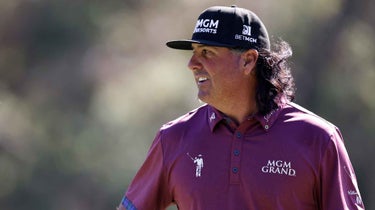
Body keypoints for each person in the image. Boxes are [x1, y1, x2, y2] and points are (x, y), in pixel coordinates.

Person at [118, 5, 365, 210]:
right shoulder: (173, 138)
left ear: (248, 60)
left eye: (207, 52)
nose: (192, 64)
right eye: (194, 52)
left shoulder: (319, 139)